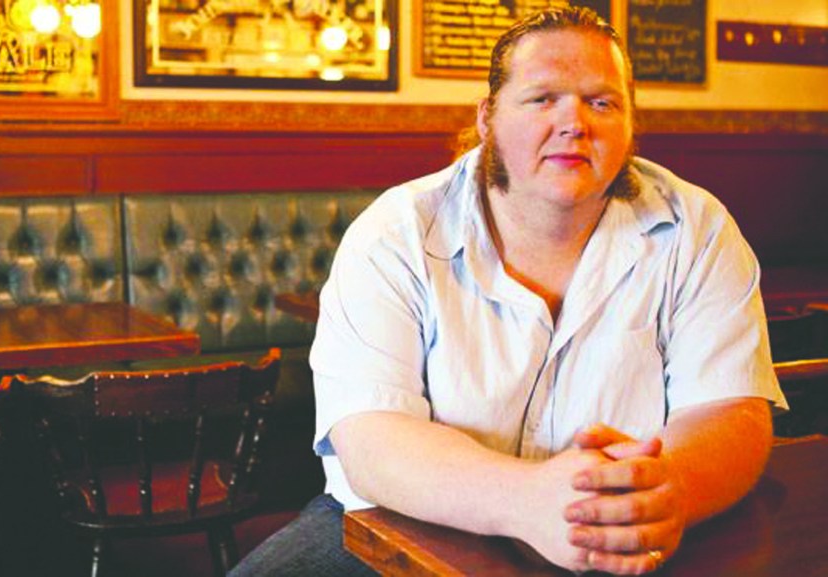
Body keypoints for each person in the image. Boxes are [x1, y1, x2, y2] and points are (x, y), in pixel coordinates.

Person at [230, 6, 787, 576]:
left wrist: (671, 488)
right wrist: (527, 501)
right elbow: (371, 438)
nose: (575, 123)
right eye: (543, 98)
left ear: (629, 124)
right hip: (404, 521)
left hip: (622, 529)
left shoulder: (697, 228)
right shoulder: (395, 232)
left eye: (602, 103)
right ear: (487, 118)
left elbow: (731, 411)